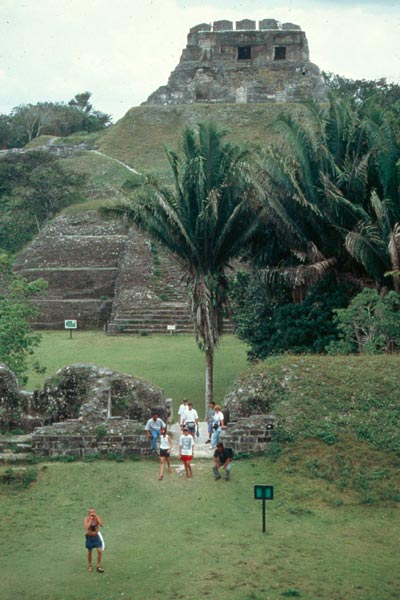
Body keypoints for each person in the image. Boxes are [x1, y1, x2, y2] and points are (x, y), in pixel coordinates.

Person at [84, 507, 105, 573]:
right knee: (90, 551)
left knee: (99, 550)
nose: (92, 513)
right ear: (89, 513)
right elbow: (86, 527)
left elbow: (102, 525)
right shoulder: (86, 519)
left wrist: (97, 519)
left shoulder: (97, 518)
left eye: (93, 512)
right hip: (89, 537)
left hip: (96, 537)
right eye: (91, 512)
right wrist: (90, 519)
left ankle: (99, 565)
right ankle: (90, 565)